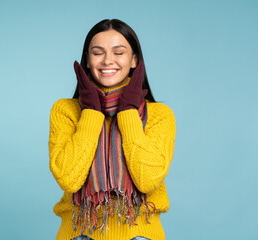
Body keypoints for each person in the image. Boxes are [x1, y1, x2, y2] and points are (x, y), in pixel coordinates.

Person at [49, 19, 176, 240]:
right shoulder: (66, 110)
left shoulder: (160, 114)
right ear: (87, 60)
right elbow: (69, 179)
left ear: (134, 59)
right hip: (78, 234)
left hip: (140, 234)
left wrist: (127, 111)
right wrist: (91, 112)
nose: (108, 60)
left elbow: (147, 179)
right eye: (98, 53)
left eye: (119, 52)